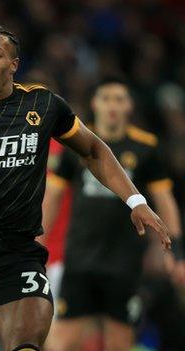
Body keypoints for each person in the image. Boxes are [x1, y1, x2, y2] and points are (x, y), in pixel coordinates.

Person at [0, 24, 172, 351]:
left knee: (26, 344)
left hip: (18, 256)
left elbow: (94, 149)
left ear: (13, 65)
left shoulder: (43, 105)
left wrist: (136, 200)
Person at [41, 78, 184, 351]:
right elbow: (53, 198)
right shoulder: (77, 145)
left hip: (124, 263)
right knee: (62, 342)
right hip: (79, 258)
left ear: (129, 105)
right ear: (95, 103)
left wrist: (175, 252)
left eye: (119, 99)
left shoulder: (146, 147)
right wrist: (37, 245)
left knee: (119, 342)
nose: (113, 106)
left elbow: (165, 202)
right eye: (106, 98)